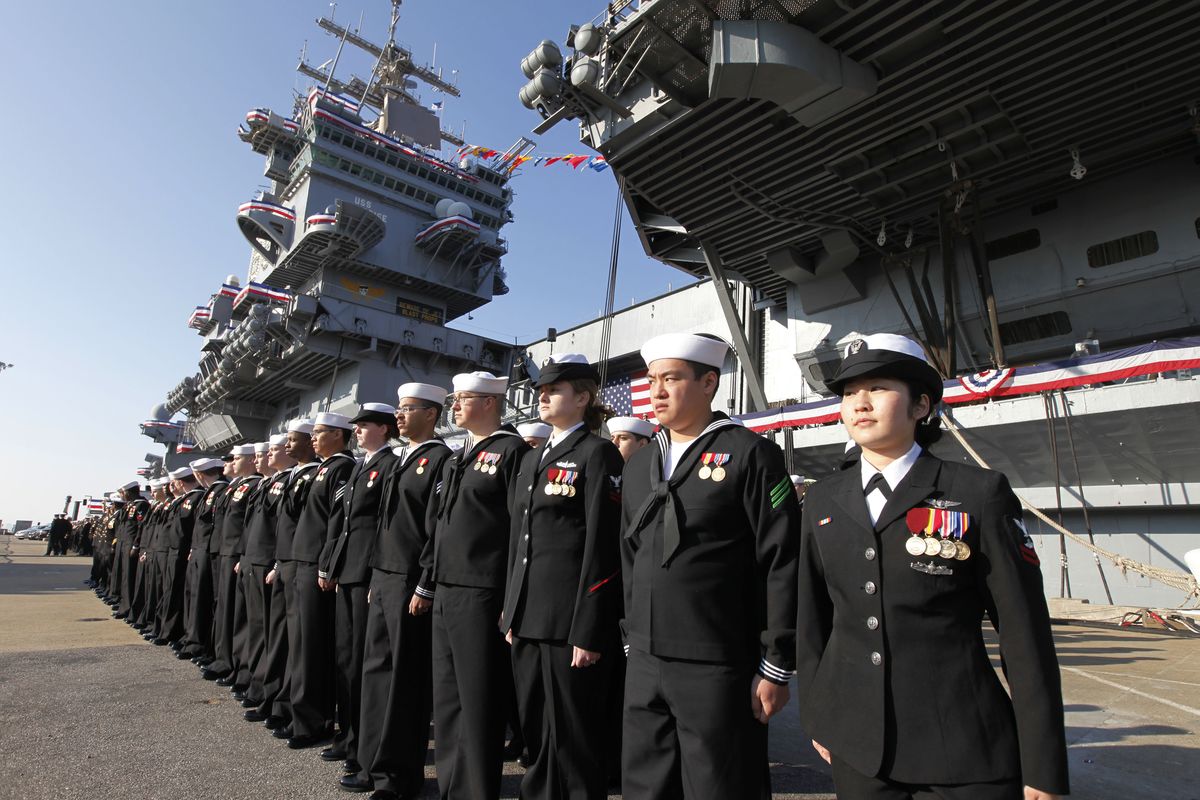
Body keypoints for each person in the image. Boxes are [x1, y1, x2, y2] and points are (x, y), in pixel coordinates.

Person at [794, 333, 1069, 800]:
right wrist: (821, 716)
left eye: (877, 388)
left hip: (961, 749)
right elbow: (813, 620)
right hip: (860, 753)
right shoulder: (822, 500)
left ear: (921, 406)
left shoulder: (979, 493)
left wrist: (1043, 766)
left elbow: (1024, 635)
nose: (859, 402)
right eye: (848, 393)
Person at [620, 332, 800, 800]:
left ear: (708, 383)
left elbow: (781, 559)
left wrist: (777, 661)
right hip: (644, 658)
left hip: (717, 661)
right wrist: (629, 634)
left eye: (672, 378)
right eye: (653, 379)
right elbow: (629, 555)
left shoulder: (751, 455)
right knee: (646, 786)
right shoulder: (641, 466)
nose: (657, 391)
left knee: (721, 785)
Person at [502, 354, 625, 800]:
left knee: (573, 733)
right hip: (530, 618)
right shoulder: (536, 460)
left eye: (553, 391)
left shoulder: (598, 453)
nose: (542, 398)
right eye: (541, 391)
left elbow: (603, 545)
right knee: (536, 727)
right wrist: (511, 613)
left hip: (570, 621)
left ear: (583, 398)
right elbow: (522, 542)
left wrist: (589, 628)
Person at [344, 383, 452, 800]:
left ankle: (399, 776)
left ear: (432, 413)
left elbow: (436, 528)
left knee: (404, 682)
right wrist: (375, 575)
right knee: (376, 674)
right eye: (399, 409)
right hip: (385, 577)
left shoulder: (439, 460)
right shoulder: (404, 458)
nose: (399, 416)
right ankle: (371, 762)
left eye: (408, 409)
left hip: (410, 581)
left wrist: (425, 582)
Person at [429, 371, 530, 800]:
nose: (454, 406)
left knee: (478, 703)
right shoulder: (459, 455)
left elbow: (520, 532)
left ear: (490, 402)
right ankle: (453, 787)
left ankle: (477, 791)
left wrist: (511, 598)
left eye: (463, 399)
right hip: (447, 588)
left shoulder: (513, 453)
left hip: (482, 592)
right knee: (449, 701)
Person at [322, 403, 399, 776]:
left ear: (384, 429)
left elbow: (384, 524)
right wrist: (333, 564)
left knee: (364, 665)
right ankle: (348, 736)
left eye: (365, 426)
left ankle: (362, 743)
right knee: (346, 660)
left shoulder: (389, 466)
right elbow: (346, 524)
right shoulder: (361, 468)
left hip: (369, 574)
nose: (358, 431)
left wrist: (373, 574)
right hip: (350, 572)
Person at [284, 411, 356, 749]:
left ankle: (315, 721)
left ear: (339, 435)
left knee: (313, 647)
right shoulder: (322, 468)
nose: (313, 438)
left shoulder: (341, 468)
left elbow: (337, 521)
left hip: (316, 563)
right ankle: (303, 716)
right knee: (300, 644)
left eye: (321, 432)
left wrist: (327, 565)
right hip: (303, 560)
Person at [265, 418, 319, 732]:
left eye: (293, 439)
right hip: (286, 562)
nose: (287, 446)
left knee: (302, 644)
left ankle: (303, 713)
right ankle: (280, 700)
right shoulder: (295, 475)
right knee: (283, 639)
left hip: (304, 563)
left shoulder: (318, 474)